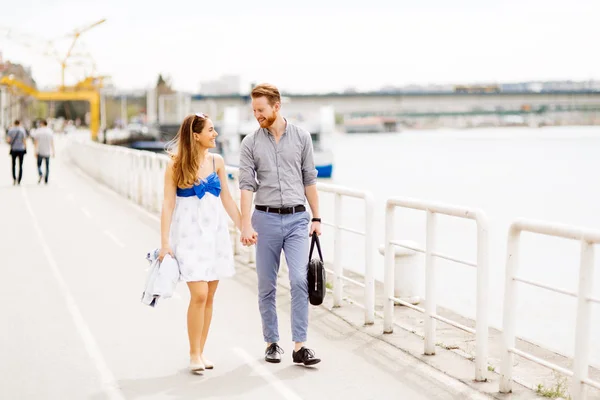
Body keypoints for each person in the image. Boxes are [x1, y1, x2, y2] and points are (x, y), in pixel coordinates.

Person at [238, 83, 322, 366]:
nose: (257, 115)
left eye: (261, 110)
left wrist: (317, 217)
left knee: (299, 280)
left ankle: (300, 346)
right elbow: (246, 186)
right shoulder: (250, 143)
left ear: (276, 106)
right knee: (266, 285)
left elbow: (309, 178)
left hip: (298, 219)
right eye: (254, 110)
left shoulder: (301, 137)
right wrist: (245, 225)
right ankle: (272, 343)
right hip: (265, 219)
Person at [159, 112, 242, 372]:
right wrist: (164, 243)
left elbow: (227, 198)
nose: (215, 134)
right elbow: (168, 203)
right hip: (188, 235)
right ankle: (193, 353)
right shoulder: (175, 164)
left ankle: (201, 352)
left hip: (214, 234)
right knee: (199, 294)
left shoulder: (217, 161)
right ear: (196, 135)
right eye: (210, 130)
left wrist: (244, 227)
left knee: (210, 296)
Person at [32, 119, 55, 184]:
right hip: (47, 151)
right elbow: (52, 142)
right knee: (47, 166)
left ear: (42, 123)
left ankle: (40, 174)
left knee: (39, 165)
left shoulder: (38, 131)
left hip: (40, 151)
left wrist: (35, 151)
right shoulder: (50, 131)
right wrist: (53, 151)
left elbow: (35, 142)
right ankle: (46, 179)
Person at [5, 120, 27, 185]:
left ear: (14, 123)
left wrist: (11, 143)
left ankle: (14, 178)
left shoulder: (11, 130)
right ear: (19, 123)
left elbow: (8, 140)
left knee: (13, 165)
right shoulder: (22, 130)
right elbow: (24, 140)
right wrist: (25, 148)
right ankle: (19, 179)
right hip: (21, 149)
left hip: (14, 149)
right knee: (20, 165)